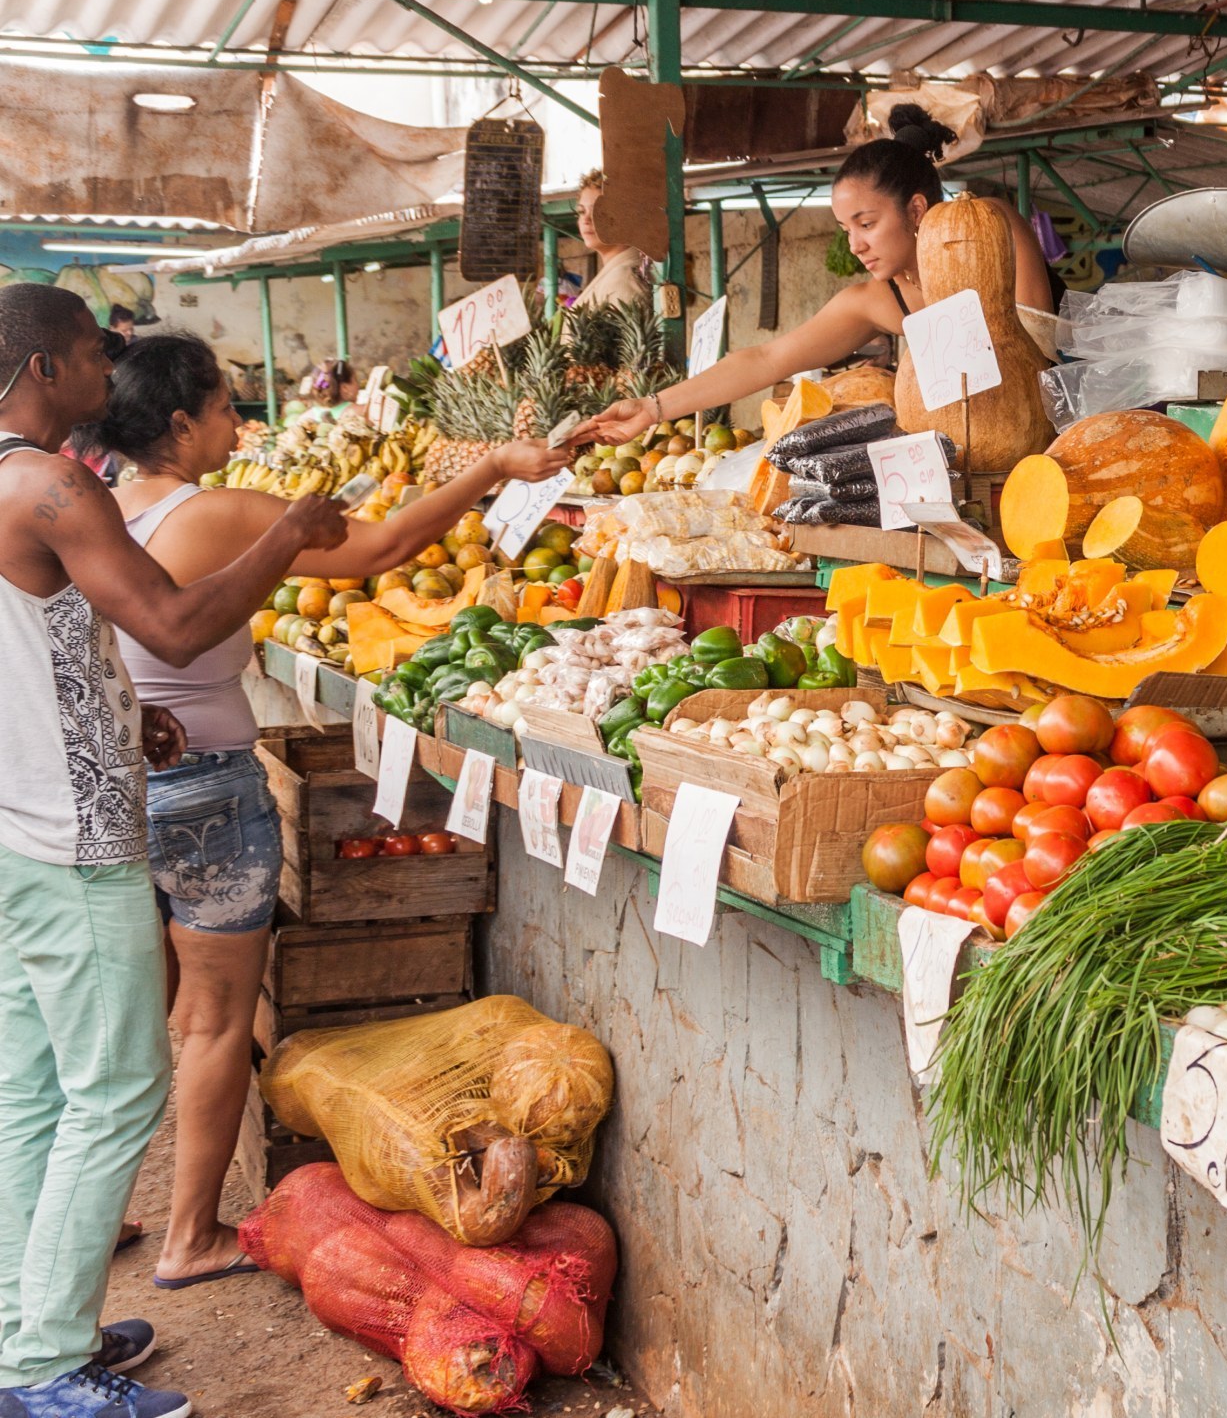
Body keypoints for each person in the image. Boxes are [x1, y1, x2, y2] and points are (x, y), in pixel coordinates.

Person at [73, 335, 569, 1297]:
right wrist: (493, 468)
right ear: (180, 422)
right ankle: (189, 1237)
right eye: (224, 405)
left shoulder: (98, 511)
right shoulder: (213, 510)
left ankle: (95, 1225)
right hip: (207, 785)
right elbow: (383, 548)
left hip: (121, 788)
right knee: (214, 1024)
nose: (238, 422)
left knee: (134, 1023)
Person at [0, 284, 344, 1418]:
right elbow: (181, 624)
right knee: (116, 1087)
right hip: (75, 832)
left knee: (36, 1090)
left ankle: (25, 1320)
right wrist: (289, 532)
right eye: (99, 353)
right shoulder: (49, 484)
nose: (114, 376)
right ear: (46, 367)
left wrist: (109, 709)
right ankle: (43, 1368)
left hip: (19, 824)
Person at [571, 107, 1051, 447]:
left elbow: (1039, 354)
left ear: (917, 208)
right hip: (977, 457)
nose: (856, 244)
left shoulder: (988, 223)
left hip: (1054, 437)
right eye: (847, 229)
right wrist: (653, 408)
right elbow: (765, 358)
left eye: (867, 224)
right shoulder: (876, 300)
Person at [570, 169, 650, 313]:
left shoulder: (624, 279)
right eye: (582, 212)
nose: (586, 220)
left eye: (598, 212)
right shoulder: (616, 272)